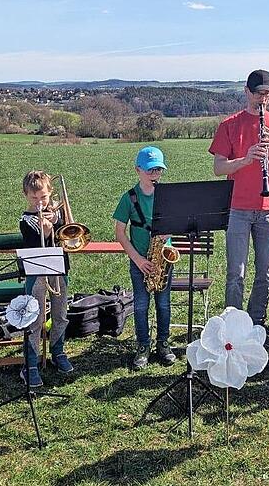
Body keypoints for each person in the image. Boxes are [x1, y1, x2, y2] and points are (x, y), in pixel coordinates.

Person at [209, 69, 269, 343]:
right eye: (259, 93)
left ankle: (257, 326)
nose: (264, 98)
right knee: (236, 272)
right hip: (237, 208)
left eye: (268, 94)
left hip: (268, 208)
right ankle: (233, 328)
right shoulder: (230, 124)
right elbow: (218, 168)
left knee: (265, 272)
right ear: (247, 92)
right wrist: (245, 160)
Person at [113, 146, 177, 370]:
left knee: (164, 305)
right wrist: (139, 260)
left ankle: (163, 344)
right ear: (137, 170)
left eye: (158, 170)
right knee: (141, 306)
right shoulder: (129, 198)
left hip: (163, 260)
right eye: (150, 170)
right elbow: (119, 232)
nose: (155, 175)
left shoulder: (167, 196)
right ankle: (142, 346)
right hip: (140, 261)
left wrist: (169, 232)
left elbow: (177, 221)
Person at [19, 170, 74, 387]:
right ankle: (30, 364)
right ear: (26, 196)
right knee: (35, 319)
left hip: (59, 270)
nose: (40, 202)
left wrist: (58, 222)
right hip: (37, 273)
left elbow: (70, 235)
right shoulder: (26, 220)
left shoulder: (58, 214)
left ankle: (58, 353)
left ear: (50, 193)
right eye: (34, 198)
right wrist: (49, 231)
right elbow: (35, 241)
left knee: (60, 314)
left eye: (43, 197)